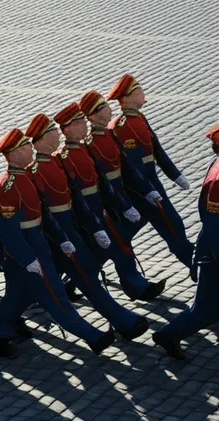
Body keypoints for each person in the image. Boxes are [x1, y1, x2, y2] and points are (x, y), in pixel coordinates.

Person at [0, 128, 114, 358]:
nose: (30, 148)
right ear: (12, 154)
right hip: (23, 253)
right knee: (54, 295)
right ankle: (92, 336)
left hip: (36, 246)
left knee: (18, 298)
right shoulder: (8, 186)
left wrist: (62, 240)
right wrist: (27, 259)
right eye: (24, 147)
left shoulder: (25, 177)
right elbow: (9, 231)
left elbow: (44, 213)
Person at [29, 107, 147, 340]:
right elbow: (44, 213)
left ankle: (1, 323)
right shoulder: (36, 172)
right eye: (53, 131)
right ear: (41, 139)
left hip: (72, 231)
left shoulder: (57, 163)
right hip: (57, 237)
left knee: (85, 275)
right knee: (87, 278)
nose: (57, 134)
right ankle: (123, 322)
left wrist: (93, 226)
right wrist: (63, 240)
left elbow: (78, 200)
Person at [78, 90, 166, 300]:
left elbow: (125, 164)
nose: (110, 110)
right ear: (93, 115)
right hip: (102, 205)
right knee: (120, 246)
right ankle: (137, 287)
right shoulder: (88, 145)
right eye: (104, 107)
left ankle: (73, 281)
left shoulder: (110, 134)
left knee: (108, 247)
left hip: (119, 197)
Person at [107, 74, 194, 267]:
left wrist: (175, 175)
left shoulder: (138, 117)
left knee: (126, 232)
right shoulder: (124, 126)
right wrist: (148, 191)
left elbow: (156, 148)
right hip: (143, 188)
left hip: (151, 183)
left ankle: (87, 268)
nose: (143, 93)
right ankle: (197, 267)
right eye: (139, 90)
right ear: (129, 96)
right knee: (171, 224)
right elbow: (134, 166)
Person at [152, 126, 219, 360]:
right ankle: (168, 334)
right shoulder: (218, 180)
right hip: (214, 253)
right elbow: (214, 225)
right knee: (204, 309)